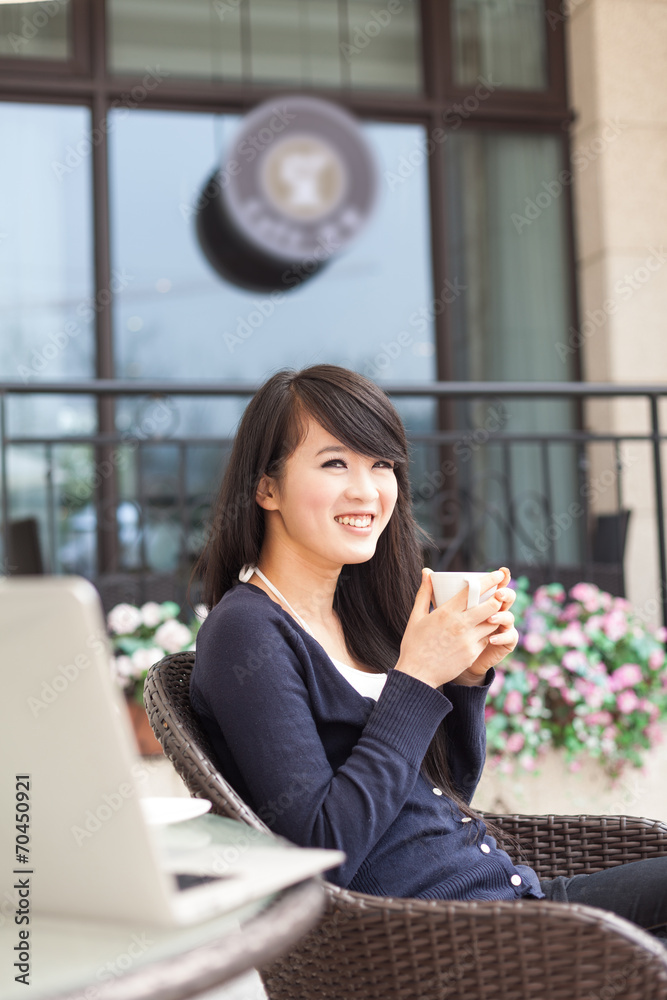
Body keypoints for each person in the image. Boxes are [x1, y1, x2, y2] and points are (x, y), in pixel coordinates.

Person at [190, 364, 667, 935]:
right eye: (335, 462)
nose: (366, 491)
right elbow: (319, 846)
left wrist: (464, 682)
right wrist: (415, 679)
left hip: (513, 903)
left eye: (382, 464)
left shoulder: (355, 618)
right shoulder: (246, 632)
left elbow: (444, 797)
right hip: (449, 939)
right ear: (266, 487)